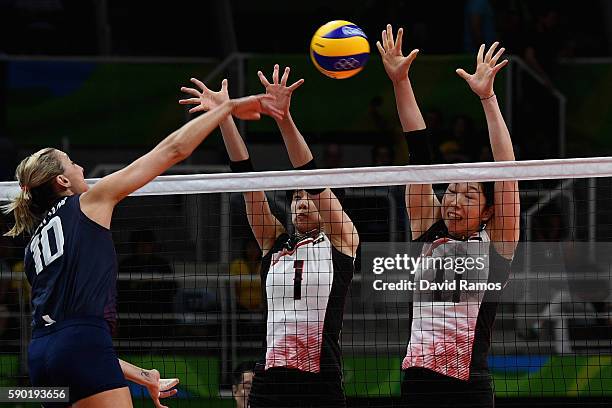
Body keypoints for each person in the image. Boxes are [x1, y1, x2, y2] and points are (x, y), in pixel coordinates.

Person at [2, 90, 281, 407]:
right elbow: (174, 150)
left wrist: (141, 375)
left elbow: (66, 335)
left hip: (41, 357)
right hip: (82, 346)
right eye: (73, 163)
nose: (80, 167)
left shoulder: (33, 246)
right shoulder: (88, 202)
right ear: (62, 182)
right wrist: (227, 108)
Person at [180, 65, 359, 407]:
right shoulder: (273, 244)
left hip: (320, 381)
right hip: (270, 380)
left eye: (309, 198)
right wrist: (223, 117)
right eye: (295, 198)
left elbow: (310, 177)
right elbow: (247, 184)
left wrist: (283, 119)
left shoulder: (342, 241)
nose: (302, 203)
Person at [377, 25, 520, 407]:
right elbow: (419, 155)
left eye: (469, 194)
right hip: (417, 382)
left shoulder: (498, 245)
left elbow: (507, 171)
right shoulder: (427, 228)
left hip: (468, 384)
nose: (454, 199)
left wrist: (488, 98)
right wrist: (401, 82)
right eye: (451, 190)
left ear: (488, 210)